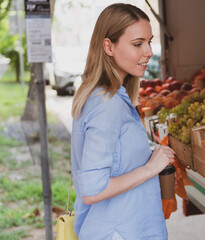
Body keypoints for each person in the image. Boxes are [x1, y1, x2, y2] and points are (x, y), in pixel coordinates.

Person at [71, 3, 175, 240]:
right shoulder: (105, 103)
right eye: (138, 44)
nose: (148, 51)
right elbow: (93, 190)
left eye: (149, 42)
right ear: (108, 46)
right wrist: (150, 168)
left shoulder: (113, 95)